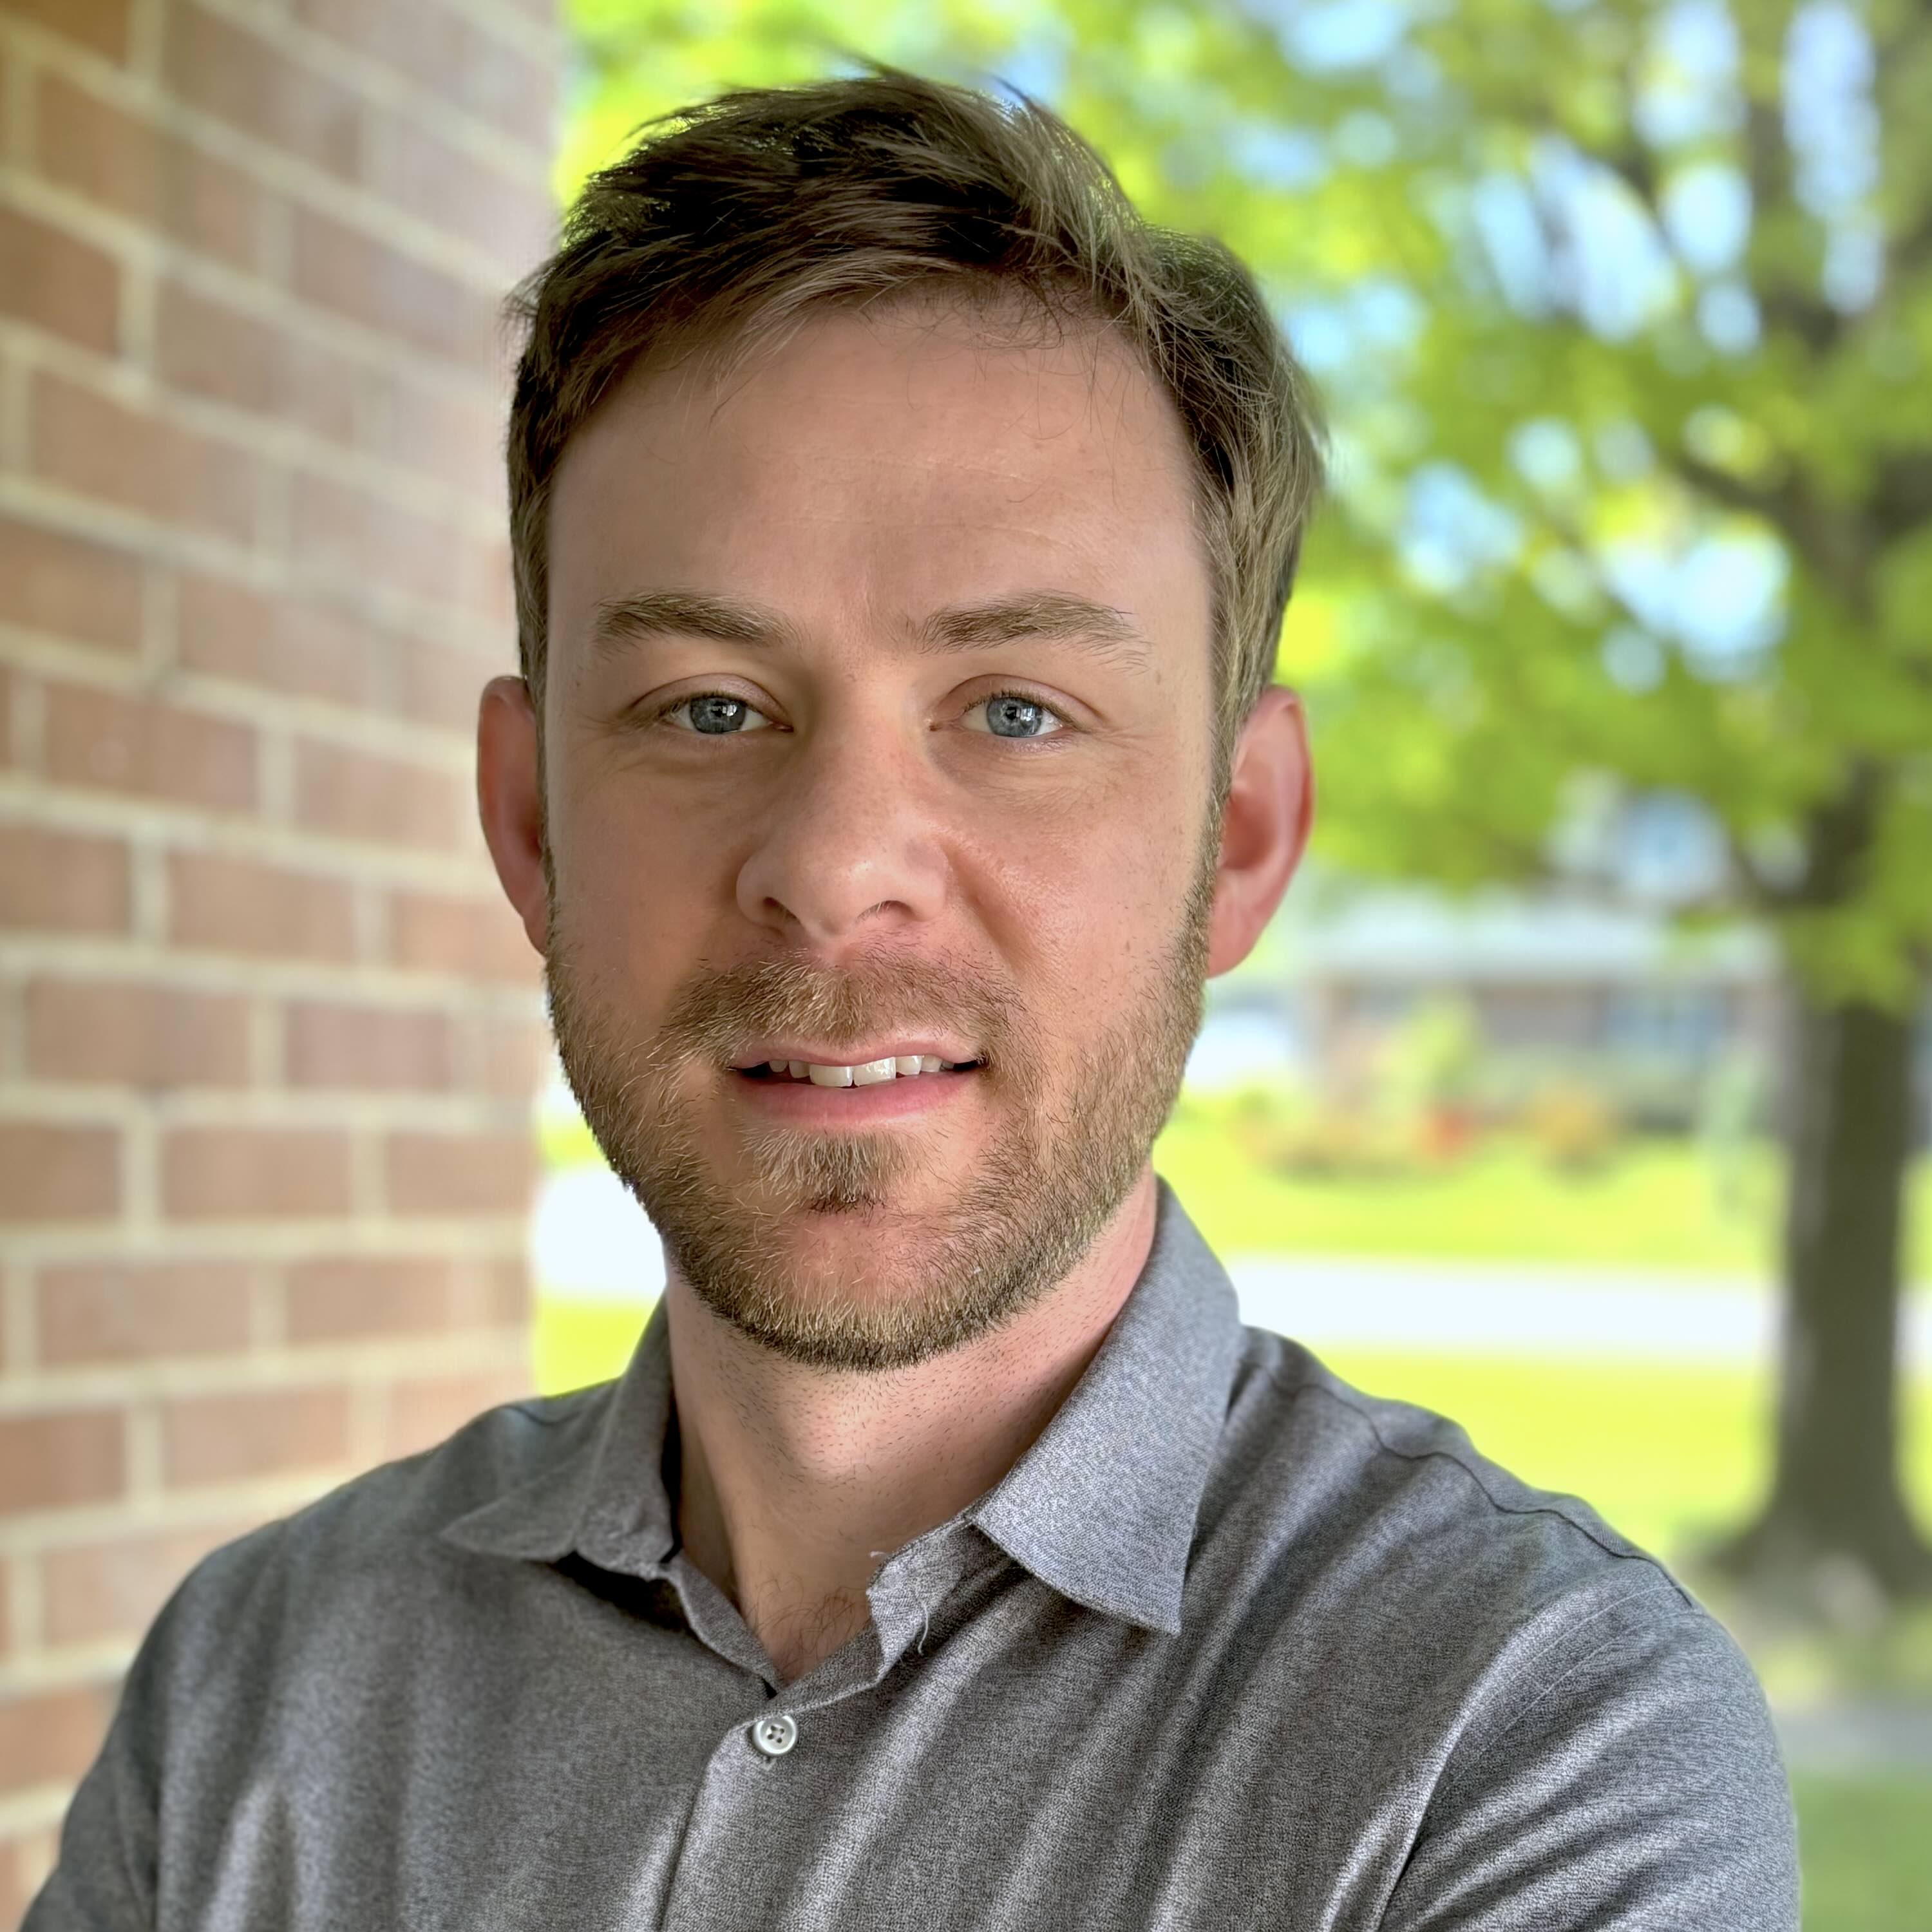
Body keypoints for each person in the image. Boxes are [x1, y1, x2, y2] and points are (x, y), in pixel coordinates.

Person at [28, 71, 1797, 1931]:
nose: (839, 859)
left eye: (1015, 711)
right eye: (710, 706)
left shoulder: (1520, 1745)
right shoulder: (252, 1685)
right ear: (533, 823)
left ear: (1245, 837)